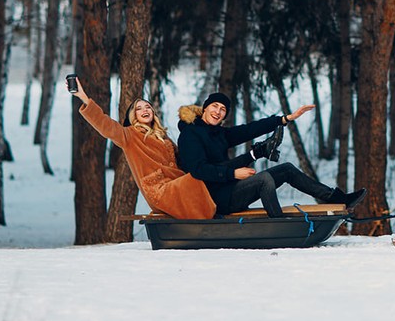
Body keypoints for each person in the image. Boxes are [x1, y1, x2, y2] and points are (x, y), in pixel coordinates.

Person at [176, 92, 366, 217]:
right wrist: (233, 174)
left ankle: (336, 198)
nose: (218, 111)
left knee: (287, 170)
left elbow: (249, 129)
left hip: (229, 189)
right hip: (213, 199)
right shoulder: (190, 135)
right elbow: (197, 170)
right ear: (205, 108)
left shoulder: (219, 133)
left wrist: (284, 119)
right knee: (264, 179)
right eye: (215, 106)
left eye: (223, 109)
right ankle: (278, 224)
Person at [71, 78, 217, 220]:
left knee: (203, 173)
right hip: (159, 190)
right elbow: (106, 125)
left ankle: (220, 211)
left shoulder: (162, 135)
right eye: (139, 109)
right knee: (194, 180)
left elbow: (184, 157)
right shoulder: (129, 135)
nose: (144, 110)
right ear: (133, 115)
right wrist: (84, 97)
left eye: (148, 107)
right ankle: (211, 218)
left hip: (176, 183)